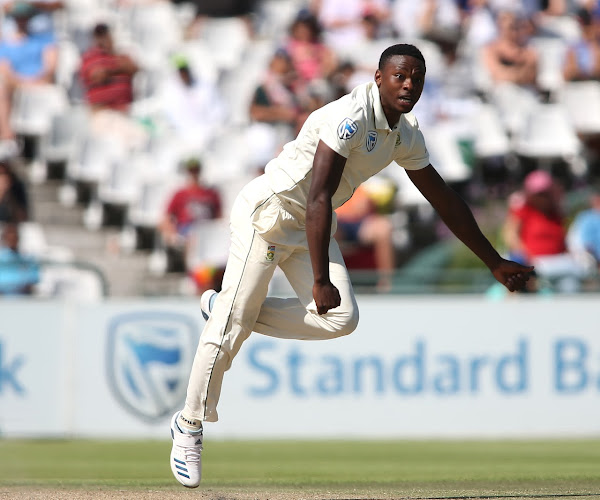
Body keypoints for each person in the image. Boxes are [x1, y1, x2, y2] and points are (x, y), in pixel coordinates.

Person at [168, 43, 534, 489]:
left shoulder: (404, 132)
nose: (409, 84)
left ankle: (229, 309)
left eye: (416, 77)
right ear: (378, 78)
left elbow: (444, 199)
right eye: (400, 75)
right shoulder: (350, 116)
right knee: (231, 329)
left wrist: (493, 261)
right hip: (270, 214)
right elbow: (319, 194)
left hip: (312, 226)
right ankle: (189, 424)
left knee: (340, 318)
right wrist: (320, 278)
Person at [0, 1, 57, 154]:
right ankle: (8, 137)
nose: (22, 20)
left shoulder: (44, 40)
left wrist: (35, 81)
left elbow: (50, 66)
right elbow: (5, 71)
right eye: (19, 17)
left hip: (39, 85)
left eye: (24, 17)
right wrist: (22, 82)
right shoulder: (6, 44)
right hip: (17, 85)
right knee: (2, 91)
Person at [79, 23, 144, 149]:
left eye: (106, 35)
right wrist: (119, 68)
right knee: (122, 142)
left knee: (141, 139)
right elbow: (97, 75)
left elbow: (134, 68)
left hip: (125, 112)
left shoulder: (122, 55)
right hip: (104, 114)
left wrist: (111, 69)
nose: (103, 39)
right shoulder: (90, 57)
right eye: (100, 36)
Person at [159, 158, 222, 269]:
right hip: (187, 228)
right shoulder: (180, 193)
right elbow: (167, 216)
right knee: (193, 237)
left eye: (196, 170)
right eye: (191, 171)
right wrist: (171, 232)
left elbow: (219, 215)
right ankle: (191, 270)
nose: (194, 174)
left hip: (207, 227)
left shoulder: (211, 193)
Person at [334, 184, 395, 290]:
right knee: (326, 228)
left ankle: (386, 283)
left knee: (383, 228)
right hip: (336, 221)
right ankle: (329, 281)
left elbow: (363, 206)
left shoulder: (362, 180)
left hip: (360, 222)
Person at [0, 222, 39, 295]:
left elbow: (32, 280)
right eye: (9, 237)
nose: (12, 239)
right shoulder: (2, 258)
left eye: (14, 237)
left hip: (22, 300)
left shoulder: (27, 258)